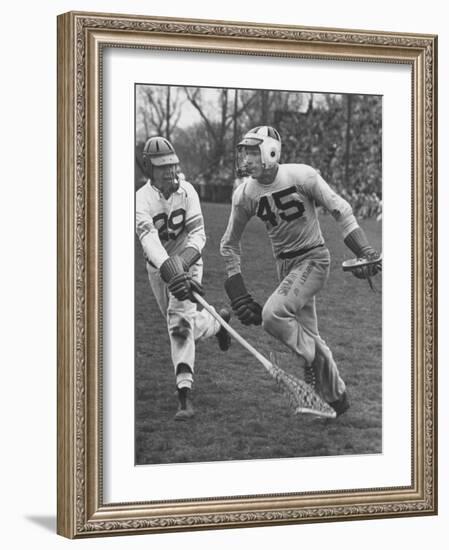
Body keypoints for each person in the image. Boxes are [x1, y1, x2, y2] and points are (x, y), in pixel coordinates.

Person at [220, 126, 381, 417]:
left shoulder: (301, 175)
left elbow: (339, 209)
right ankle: (336, 399)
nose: (245, 159)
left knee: (272, 315)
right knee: (311, 335)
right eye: (243, 152)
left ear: (271, 151)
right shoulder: (244, 194)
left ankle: (309, 361)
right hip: (285, 267)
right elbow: (229, 244)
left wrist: (364, 250)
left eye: (252, 152)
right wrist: (238, 292)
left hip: (314, 259)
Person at [136, 136, 231, 421]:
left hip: (189, 261)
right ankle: (217, 321)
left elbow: (198, 235)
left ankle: (184, 395)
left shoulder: (188, 191)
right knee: (180, 321)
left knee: (178, 324)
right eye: (162, 166)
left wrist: (183, 264)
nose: (170, 171)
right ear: (147, 169)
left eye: (172, 165)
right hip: (159, 269)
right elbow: (148, 239)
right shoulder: (141, 199)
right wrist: (169, 268)